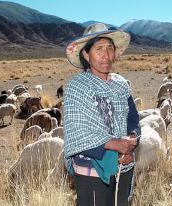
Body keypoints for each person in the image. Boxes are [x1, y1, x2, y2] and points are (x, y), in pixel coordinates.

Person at [63, 23, 141, 206]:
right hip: (91, 172)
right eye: (99, 49)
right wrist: (115, 145)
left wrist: (130, 142)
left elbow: (133, 119)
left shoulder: (121, 84)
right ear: (86, 54)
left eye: (110, 48)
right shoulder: (77, 87)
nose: (106, 55)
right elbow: (76, 132)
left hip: (124, 165)